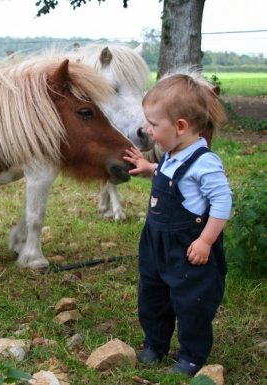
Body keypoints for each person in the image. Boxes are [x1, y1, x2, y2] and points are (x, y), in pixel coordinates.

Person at [124, 71, 232, 376]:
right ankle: (155, 344)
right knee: (153, 295)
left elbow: (222, 202)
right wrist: (149, 168)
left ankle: (191, 356)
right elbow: (170, 173)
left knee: (191, 303)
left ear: (181, 126)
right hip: (157, 243)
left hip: (188, 247)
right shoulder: (174, 154)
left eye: (154, 125)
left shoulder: (205, 162)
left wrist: (206, 240)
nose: (148, 129)